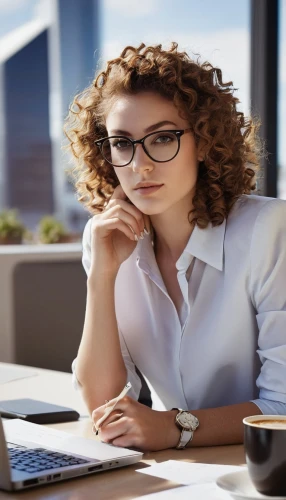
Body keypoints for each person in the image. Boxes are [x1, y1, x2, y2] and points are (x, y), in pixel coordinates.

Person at [65, 42, 286, 452]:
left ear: (204, 142)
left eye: (162, 138)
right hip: (183, 474)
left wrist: (176, 427)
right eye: (122, 143)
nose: (139, 165)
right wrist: (103, 275)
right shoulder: (107, 241)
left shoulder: (270, 230)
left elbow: (284, 407)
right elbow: (103, 409)